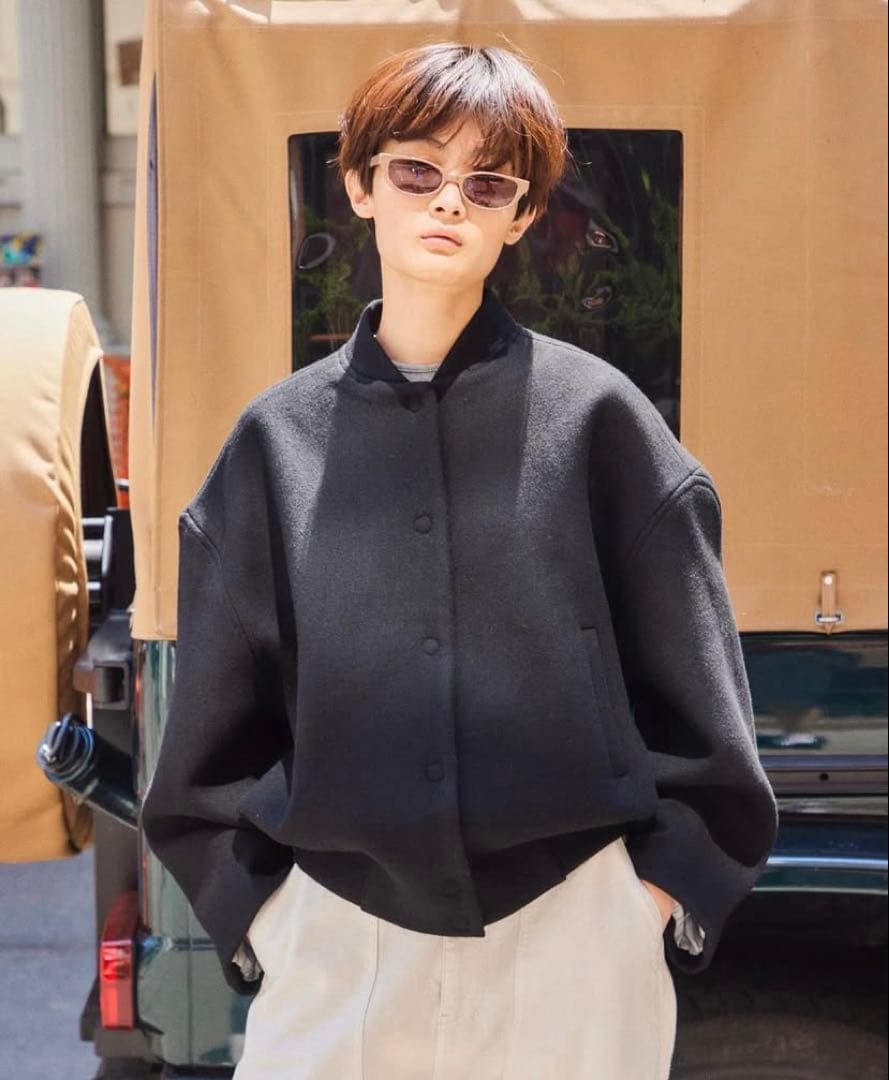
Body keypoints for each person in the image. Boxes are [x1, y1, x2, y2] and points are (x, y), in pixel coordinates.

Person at [142, 42, 778, 1079]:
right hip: (335, 939)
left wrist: (648, 897)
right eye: (416, 170)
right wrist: (264, 911)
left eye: (487, 183)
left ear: (521, 215)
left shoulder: (601, 423)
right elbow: (215, 728)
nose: (448, 201)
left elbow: (700, 700)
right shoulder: (272, 444)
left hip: (574, 935)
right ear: (360, 185)